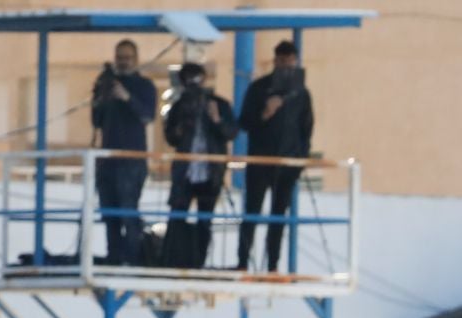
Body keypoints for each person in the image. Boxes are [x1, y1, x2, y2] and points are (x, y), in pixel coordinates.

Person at [238, 41, 315, 274]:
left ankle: (273, 265)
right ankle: (242, 262)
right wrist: (265, 113)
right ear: (275, 60)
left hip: (287, 165)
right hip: (260, 162)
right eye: (281, 60)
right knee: (251, 213)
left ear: (296, 61)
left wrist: (299, 162)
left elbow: (306, 129)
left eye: (289, 60)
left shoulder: (301, 94)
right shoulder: (259, 88)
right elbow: (244, 122)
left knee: (278, 217)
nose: (285, 65)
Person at [162, 62, 238, 269]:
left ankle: (198, 263)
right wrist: (180, 127)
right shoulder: (178, 106)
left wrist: (215, 119)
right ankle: (172, 262)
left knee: (205, 221)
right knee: (177, 217)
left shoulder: (219, 104)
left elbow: (231, 133)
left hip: (210, 173)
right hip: (185, 173)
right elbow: (170, 137)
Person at [91, 40, 157, 267]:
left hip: (132, 162)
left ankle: (133, 258)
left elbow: (148, 116)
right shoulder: (106, 85)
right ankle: (114, 257)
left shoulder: (145, 86)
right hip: (108, 161)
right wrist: (100, 96)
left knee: (128, 212)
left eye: (128, 57)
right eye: (120, 57)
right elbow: (96, 121)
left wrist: (127, 97)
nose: (123, 61)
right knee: (110, 215)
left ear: (136, 59)